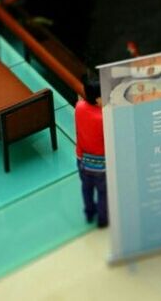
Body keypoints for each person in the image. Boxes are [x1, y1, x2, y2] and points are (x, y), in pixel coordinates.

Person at [75, 72, 107, 228]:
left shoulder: (79, 107)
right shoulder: (104, 117)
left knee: (86, 189)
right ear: (97, 99)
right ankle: (102, 219)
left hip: (82, 160)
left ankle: (89, 212)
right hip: (101, 164)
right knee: (103, 193)